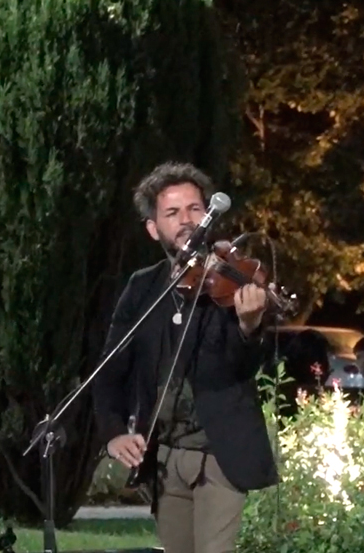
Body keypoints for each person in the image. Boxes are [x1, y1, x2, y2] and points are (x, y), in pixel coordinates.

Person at [93, 162, 278, 553]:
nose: (187, 220)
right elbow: (111, 369)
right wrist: (113, 433)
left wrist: (247, 327)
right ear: (152, 227)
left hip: (219, 455)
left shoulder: (230, 279)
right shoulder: (143, 287)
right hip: (162, 457)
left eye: (195, 209)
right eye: (172, 213)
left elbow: (241, 369)